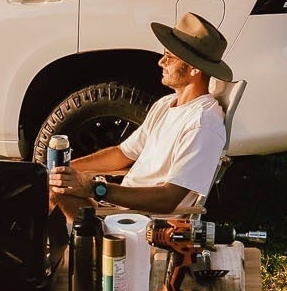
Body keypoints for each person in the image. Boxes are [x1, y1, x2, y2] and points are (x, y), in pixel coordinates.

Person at [48, 11, 231, 217]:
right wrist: (64, 171)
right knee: (49, 185)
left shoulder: (203, 123)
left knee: (54, 194)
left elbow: (168, 199)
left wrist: (94, 188)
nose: (161, 62)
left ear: (194, 69)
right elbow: (122, 153)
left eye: (169, 58)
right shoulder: (166, 104)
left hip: (141, 224)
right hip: (122, 211)